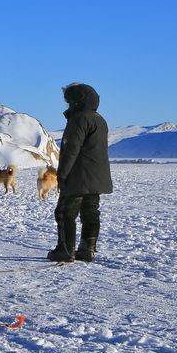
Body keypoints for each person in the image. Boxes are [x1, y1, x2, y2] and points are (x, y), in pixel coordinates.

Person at [48, 83, 113, 263]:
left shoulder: (79, 119)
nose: (67, 104)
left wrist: (62, 174)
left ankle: (65, 251)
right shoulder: (100, 119)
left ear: (77, 100)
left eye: (69, 100)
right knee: (90, 212)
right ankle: (87, 249)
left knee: (65, 213)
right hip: (97, 177)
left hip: (78, 176)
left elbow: (71, 149)